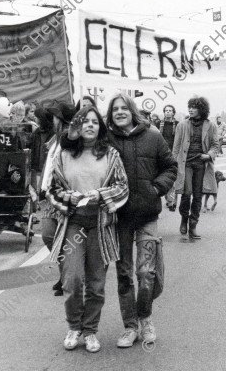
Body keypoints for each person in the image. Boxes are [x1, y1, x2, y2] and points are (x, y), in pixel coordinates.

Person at [48, 105, 129, 353]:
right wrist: (70, 198)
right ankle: (74, 326)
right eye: (85, 122)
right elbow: (53, 189)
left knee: (96, 284)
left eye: (95, 122)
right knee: (72, 279)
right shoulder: (63, 155)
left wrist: (101, 194)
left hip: (100, 225)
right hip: (73, 223)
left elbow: (122, 186)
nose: (90, 125)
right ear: (76, 127)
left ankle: (90, 330)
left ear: (100, 127)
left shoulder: (111, 154)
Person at [105, 93, 177, 349]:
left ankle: (145, 317)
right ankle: (130, 327)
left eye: (125, 108)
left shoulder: (153, 136)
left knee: (146, 273)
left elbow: (170, 167)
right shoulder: (107, 139)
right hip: (119, 217)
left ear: (132, 110)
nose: (120, 112)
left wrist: (156, 188)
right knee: (124, 274)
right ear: (111, 114)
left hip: (147, 215)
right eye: (116, 109)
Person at [41, 102, 76, 296]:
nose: (52, 119)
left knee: (63, 238)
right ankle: (65, 272)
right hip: (49, 194)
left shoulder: (70, 140)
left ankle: (67, 275)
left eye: (55, 117)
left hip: (63, 194)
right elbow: (48, 165)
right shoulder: (54, 139)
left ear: (61, 120)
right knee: (48, 235)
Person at [172, 96, 218, 239]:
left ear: (201, 109)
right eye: (189, 107)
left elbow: (215, 145)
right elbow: (176, 148)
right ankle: (184, 218)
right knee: (187, 193)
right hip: (185, 164)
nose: (190, 109)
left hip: (201, 165)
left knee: (198, 196)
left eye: (194, 107)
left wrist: (209, 155)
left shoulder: (210, 125)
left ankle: (193, 225)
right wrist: (173, 165)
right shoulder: (182, 125)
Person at [158, 104, 179, 211]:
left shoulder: (178, 125)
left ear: (173, 112)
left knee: (172, 178)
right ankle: (168, 198)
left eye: (170, 110)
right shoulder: (158, 124)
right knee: (163, 178)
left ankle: (171, 202)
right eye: (166, 110)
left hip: (172, 155)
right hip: (160, 155)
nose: (168, 112)